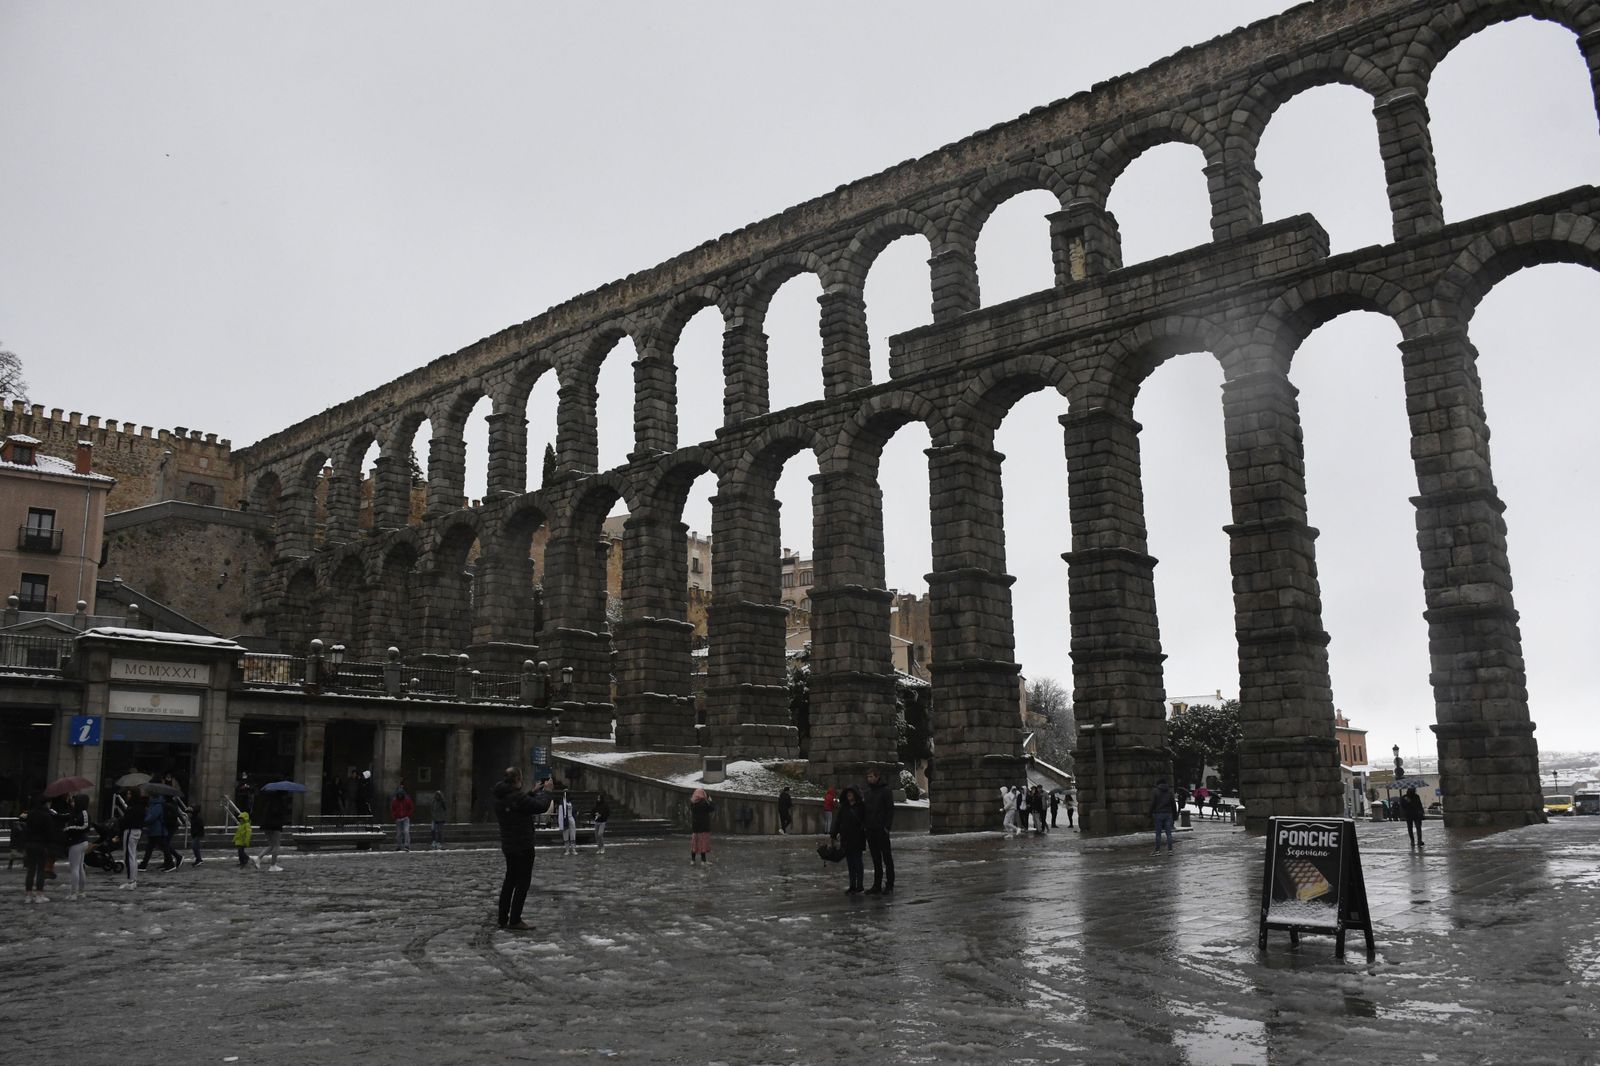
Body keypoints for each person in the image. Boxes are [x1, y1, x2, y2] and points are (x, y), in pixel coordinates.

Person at [491, 766, 550, 930]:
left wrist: (532, 792)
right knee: (522, 883)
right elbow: (540, 807)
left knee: (509, 881)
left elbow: (520, 804)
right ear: (517, 780)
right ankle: (515, 919)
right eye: (521, 778)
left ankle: (502, 918)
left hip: (509, 845)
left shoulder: (501, 796)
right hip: (522, 845)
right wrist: (547, 792)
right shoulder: (516, 797)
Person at [829, 786, 868, 894]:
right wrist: (834, 833)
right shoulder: (844, 807)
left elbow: (865, 820)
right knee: (850, 863)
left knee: (857, 862)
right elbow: (838, 821)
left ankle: (859, 885)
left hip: (858, 837)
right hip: (846, 838)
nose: (849, 795)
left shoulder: (861, 806)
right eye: (847, 794)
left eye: (851, 793)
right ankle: (852, 885)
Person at [863, 768, 895, 894]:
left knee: (887, 858)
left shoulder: (885, 791)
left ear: (877, 777)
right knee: (876, 859)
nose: (869, 779)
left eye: (871, 776)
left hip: (881, 830)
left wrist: (887, 827)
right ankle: (877, 884)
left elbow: (890, 810)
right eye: (868, 777)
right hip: (871, 830)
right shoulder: (868, 792)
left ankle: (889, 885)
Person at [20, 794, 57, 903]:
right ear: (45, 803)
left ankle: (28, 895)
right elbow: (50, 832)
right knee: (41, 870)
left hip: (29, 844)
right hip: (41, 845)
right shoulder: (46, 815)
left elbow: (25, 827)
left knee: (30, 870)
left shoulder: (30, 814)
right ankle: (39, 895)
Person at [141, 792, 181, 872]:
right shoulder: (155, 805)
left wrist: (144, 820)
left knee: (164, 846)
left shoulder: (157, 805)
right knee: (154, 847)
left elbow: (152, 817)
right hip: (155, 830)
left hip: (158, 830)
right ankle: (143, 865)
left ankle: (171, 863)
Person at [62, 793, 91, 900]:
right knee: (79, 868)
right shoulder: (76, 813)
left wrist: (69, 829)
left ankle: (74, 893)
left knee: (75, 868)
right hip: (80, 842)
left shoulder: (83, 813)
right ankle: (81, 891)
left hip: (78, 842)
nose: (73, 803)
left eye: (74, 801)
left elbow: (85, 827)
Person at [117, 788, 146, 890]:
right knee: (133, 856)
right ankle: (133, 879)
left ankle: (131, 881)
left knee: (129, 856)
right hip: (136, 831)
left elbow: (127, 820)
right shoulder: (140, 806)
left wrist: (120, 823)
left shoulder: (133, 807)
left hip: (130, 830)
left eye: (130, 794)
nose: (128, 795)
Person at [255, 790, 286, 871]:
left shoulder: (268, 801)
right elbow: (276, 812)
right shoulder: (278, 802)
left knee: (271, 845)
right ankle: (273, 865)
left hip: (266, 824)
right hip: (275, 825)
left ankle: (258, 858)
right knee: (276, 845)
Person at [689, 787, 715, 865]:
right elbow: (712, 808)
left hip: (695, 827)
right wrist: (710, 800)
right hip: (704, 827)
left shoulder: (693, 804)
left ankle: (693, 860)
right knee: (703, 843)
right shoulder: (704, 803)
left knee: (695, 843)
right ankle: (703, 860)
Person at [1152, 778, 1177, 853]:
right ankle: (1170, 850)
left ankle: (1157, 851)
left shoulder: (1155, 791)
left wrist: (1149, 813)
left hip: (1158, 814)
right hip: (1168, 814)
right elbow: (1173, 804)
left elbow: (1153, 803)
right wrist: (1175, 815)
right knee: (1169, 833)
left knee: (1158, 833)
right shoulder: (1169, 792)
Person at [390, 784, 414, 852]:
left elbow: (411, 808)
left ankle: (407, 845)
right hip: (398, 818)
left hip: (405, 818)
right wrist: (395, 816)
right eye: (399, 795)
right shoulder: (395, 801)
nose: (400, 796)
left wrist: (408, 815)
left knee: (406, 832)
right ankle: (399, 846)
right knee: (398, 833)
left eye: (401, 795)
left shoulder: (407, 800)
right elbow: (392, 809)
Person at [555, 789, 578, 856]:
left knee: (573, 835)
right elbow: (560, 814)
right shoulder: (562, 803)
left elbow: (574, 810)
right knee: (565, 835)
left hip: (571, 819)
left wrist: (575, 815)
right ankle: (567, 850)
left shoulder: (571, 802)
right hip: (565, 820)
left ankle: (573, 849)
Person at [187, 799, 206, 867]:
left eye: (189, 813)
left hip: (197, 834)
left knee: (195, 847)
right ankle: (198, 859)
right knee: (195, 847)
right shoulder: (194, 819)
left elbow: (200, 828)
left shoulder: (197, 819)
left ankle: (199, 859)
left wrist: (196, 833)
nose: (188, 814)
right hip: (196, 834)